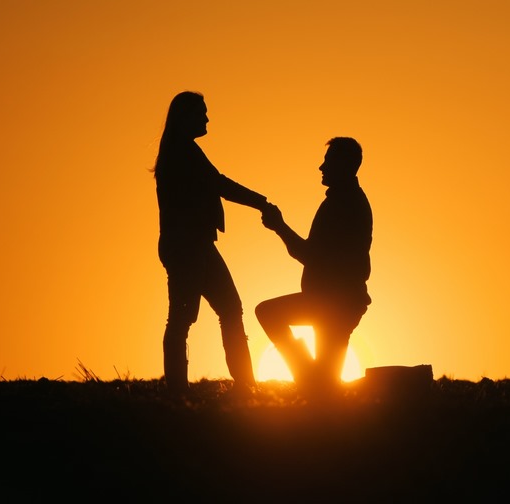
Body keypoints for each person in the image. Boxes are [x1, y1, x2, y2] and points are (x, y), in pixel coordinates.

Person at [153, 90, 270, 396]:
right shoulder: (182, 152)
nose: (207, 118)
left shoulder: (183, 151)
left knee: (228, 308)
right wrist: (260, 202)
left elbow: (215, 183)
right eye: (201, 112)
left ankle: (245, 385)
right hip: (186, 246)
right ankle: (179, 390)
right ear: (185, 117)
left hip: (197, 244)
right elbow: (218, 184)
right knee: (183, 317)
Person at [256, 137, 372, 400]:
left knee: (267, 312)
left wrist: (279, 227)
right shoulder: (345, 201)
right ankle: (313, 383)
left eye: (328, 161)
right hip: (337, 304)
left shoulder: (343, 205)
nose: (321, 167)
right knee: (326, 388)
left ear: (344, 165)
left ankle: (309, 379)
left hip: (333, 305)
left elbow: (310, 255)